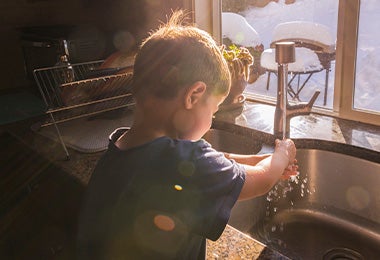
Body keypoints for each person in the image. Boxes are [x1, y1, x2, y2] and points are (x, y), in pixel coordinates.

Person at [77, 10, 297, 260]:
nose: (212, 120)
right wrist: (282, 153)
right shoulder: (182, 160)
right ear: (193, 96)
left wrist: (257, 161)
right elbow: (262, 181)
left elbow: (214, 159)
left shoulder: (121, 146)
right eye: (213, 109)